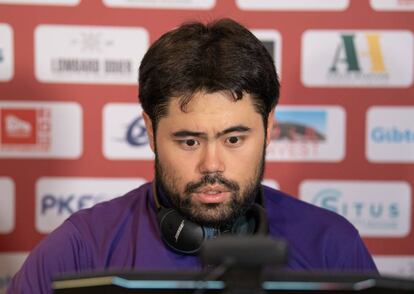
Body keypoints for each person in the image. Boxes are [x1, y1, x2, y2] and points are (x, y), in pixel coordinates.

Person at [7, 18, 377, 293]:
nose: (211, 165)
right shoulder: (79, 250)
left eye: (234, 140)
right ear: (151, 132)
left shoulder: (332, 245)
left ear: (270, 128)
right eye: (189, 141)